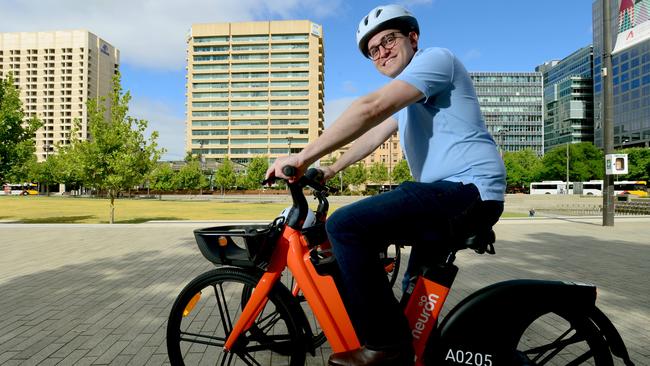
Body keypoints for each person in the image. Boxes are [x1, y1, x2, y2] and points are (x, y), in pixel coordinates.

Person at [265, 4, 506, 365]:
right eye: (373, 50)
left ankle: (385, 345)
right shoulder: (411, 98)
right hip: (451, 197)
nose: (381, 52)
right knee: (414, 300)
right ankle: (417, 352)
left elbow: (370, 108)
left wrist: (302, 158)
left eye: (388, 40)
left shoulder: (437, 60)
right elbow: (373, 136)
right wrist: (330, 170)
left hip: (467, 190)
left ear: (413, 38)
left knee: (345, 226)